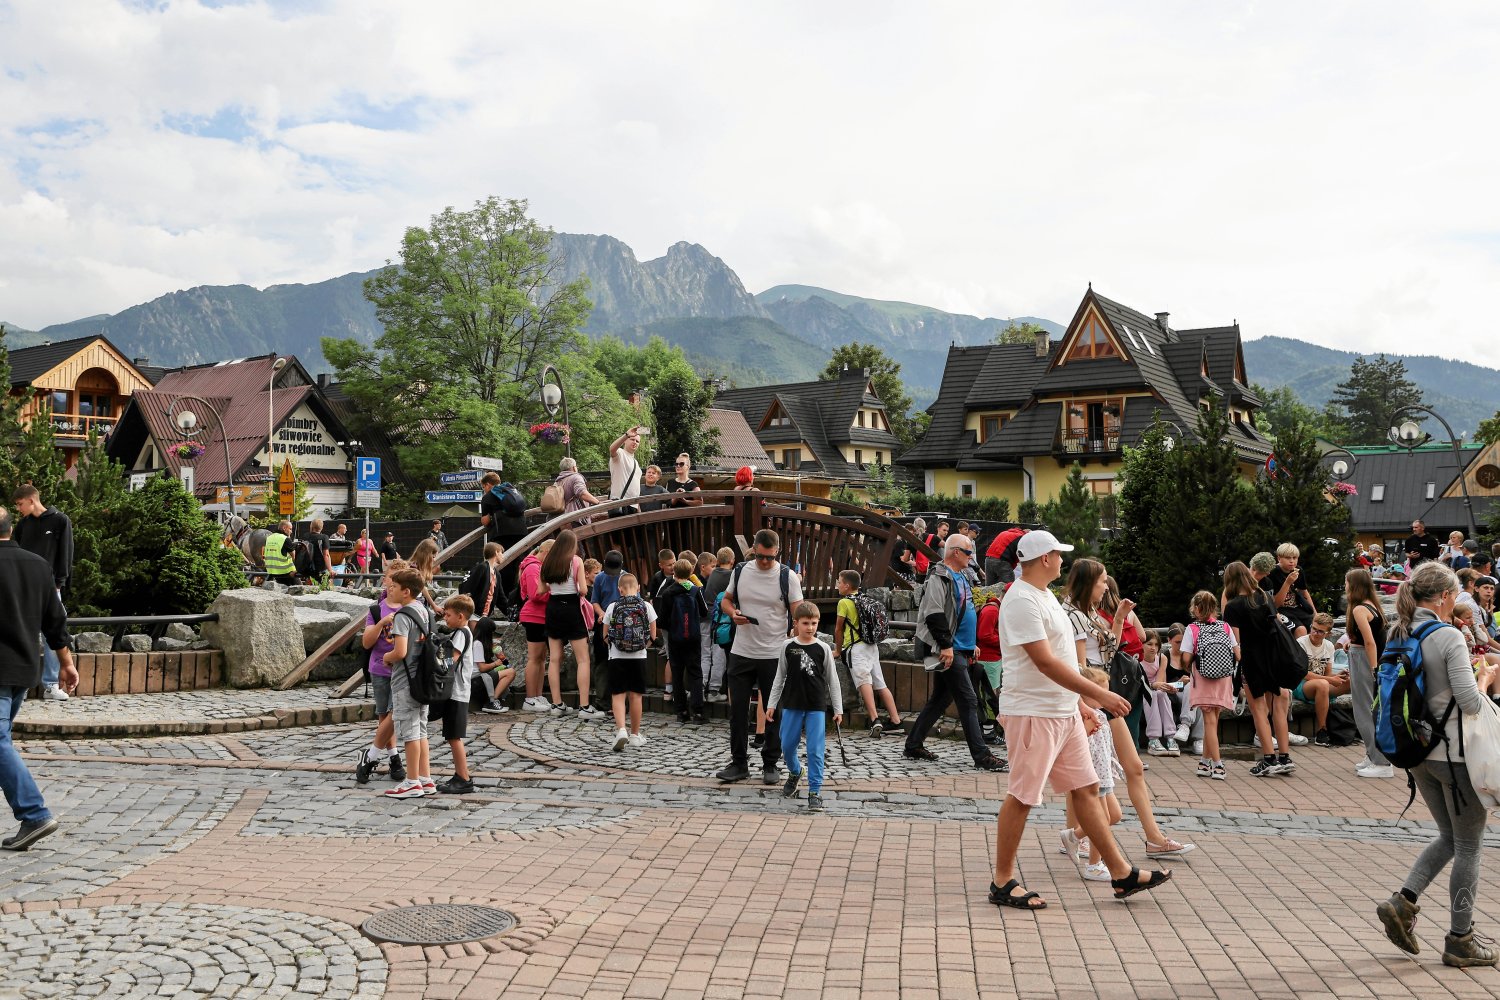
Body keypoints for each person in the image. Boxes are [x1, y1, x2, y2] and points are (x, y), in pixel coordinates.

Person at [990, 530, 1172, 909]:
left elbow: (1065, 661)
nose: (1062, 561)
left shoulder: (1044, 597)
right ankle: (1002, 880)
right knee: (1023, 797)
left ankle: (1120, 873)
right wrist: (1100, 695)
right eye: (1058, 554)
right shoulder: (1021, 599)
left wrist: (1082, 706)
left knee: (1087, 788)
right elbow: (1045, 662)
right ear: (1044, 559)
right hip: (1033, 712)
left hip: (1061, 711)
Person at [1375, 561, 1499, 968]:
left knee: (1448, 837)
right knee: (1468, 845)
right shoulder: (1447, 635)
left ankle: (1403, 902)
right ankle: (1460, 938)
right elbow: (1468, 702)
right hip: (1456, 757)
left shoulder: (1399, 630)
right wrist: (1486, 678)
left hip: (1418, 755)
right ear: (1445, 596)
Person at [1064, 559, 1194, 857]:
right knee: (1084, 773)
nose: (1106, 586)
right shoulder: (1073, 614)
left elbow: (1108, 653)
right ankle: (1078, 837)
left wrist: (1120, 619)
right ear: (1088, 583)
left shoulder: (1089, 613)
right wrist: (1087, 703)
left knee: (1128, 767)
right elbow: (1081, 668)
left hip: (1102, 694)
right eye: (1102, 581)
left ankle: (1149, 838)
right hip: (1094, 697)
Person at [0, 505, 77, 851]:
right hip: (24, 671)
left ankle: (34, 814)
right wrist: (67, 663)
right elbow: (55, 622)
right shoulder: (37, 565)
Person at [902, 533, 1006, 772]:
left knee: (941, 699)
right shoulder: (939, 577)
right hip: (948, 649)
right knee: (968, 701)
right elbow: (934, 614)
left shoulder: (960, 576)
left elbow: (961, 612)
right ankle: (981, 755)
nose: (972, 557)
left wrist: (971, 645)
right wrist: (947, 646)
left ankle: (913, 744)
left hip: (959, 648)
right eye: (969, 552)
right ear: (955, 552)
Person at [716, 528, 804, 784]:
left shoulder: (787, 577)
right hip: (742, 651)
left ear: (777, 552)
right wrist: (733, 614)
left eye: (769, 557)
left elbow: (798, 613)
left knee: (774, 711)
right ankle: (739, 763)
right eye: (760, 556)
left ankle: (770, 764)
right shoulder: (741, 570)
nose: (764, 562)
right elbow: (726, 601)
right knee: (738, 710)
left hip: (774, 653)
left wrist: (796, 641)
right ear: (754, 549)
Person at [765, 601, 843, 812]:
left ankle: (814, 791)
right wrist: (772, 704)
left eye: (814, 623)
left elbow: (832, 680)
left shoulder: (823, 648)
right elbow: (779, 677)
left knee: (815, 750)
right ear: (796, 623)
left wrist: (838, 708)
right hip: (791, 703)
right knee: (787, 745)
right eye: (806, 623)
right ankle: (795, 771)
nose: (810, 627)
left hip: (816, 706)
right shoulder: (787, 646)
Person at [1223, 560, 1297, 777]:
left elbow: (1235, 643)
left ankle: (1268, 758)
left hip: (1252, 661)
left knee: (1258, 710)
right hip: (1272, 657)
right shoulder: (1263, 596)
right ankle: (1284, 756)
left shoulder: (1233, 606)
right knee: (1278, 708)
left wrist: (1239, 667)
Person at [1060, 666, 1125, 883]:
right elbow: (1086, 746)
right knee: (1103, 819)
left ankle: (1073, 836)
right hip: (1094, 775)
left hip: (1104, 773)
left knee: (1114, 815)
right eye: (1101, 692)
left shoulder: (1100, 715)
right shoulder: (1085, 716)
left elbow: (1106, 748)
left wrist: (1113, 766)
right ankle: (1094, 865)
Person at [13, 484, 73, 703]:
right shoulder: (23, 525)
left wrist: (59, 584)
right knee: (24, 632)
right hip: (24, 588)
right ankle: (23, 683)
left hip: (50, 589)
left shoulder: (60, 520)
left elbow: (66, 553)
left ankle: (50, 685)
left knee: (53, 633)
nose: (18, 509)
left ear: (31, 500)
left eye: (20, 504)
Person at [355, 559, 411, 785]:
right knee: (384, 715)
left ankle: (383, 756)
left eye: (396, 579)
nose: (391, 583)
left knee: (394, 715)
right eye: (389, 577)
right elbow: (366, 643)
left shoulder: (411, 608)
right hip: (379, 669)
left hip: (402, 671)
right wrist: (381, 624)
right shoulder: (377, 609)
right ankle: (394, 757)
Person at [382, 568, 435, 799]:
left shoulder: (403, 615)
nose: (389, 590)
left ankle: (412, 781)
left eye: (393, 587)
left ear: (406, 592)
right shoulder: (422, 610)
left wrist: (386, 657)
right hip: (422, 679)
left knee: (410, 731)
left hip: (406, 681)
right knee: (421, 729)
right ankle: (425, 777)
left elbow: (400, 651)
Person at [540, 529, 604, 720]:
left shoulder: (548, 562)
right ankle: (584, 707)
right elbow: (583, 590)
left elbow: (540, 589)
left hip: (553, 608)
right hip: (571, 608)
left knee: (554, 659)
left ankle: (557, 703)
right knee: (583, 659)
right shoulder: (575, 561)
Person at [834, 570, 903, 736]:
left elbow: (838, 628)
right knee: (880, 683)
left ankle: (874, 719)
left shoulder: (844, 603)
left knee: (864, 681)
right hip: (871, 646)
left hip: (856, 648)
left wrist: (837, 650)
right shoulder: (865, 599)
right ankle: (896, 721)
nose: (837, 585)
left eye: (839, 582)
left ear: (847, 585)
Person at [1181, 590, 1237, 779]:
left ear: (1196, 608)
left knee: (1209, 723)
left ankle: (1217, 765)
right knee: (1213, 722)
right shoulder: (1225, 627)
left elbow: (1186, 658)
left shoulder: (1193, 629)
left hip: (1203, 678)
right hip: (1223, 678)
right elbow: (1237, 654)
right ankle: (1204, 763)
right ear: (1214, 608)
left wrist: (1189, 665)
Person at [1343, 567, 1393, 778]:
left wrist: (1374, 669)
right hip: (1364, 656)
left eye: (1346, 583)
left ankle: (1381, 762)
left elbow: (1371, 642)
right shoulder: (1373, 606)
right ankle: (1372, 754)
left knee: (1364, 709)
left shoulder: (1358, 610)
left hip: (1364, 659)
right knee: (1371, 709)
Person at [603, 573, 656, 751]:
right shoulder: (646, 606)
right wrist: (641, 647)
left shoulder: (612, 607)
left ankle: (621, 730)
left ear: (620, 589)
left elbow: (605, 635)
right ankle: (634, 735)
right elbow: (653, 636)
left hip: (616, 657)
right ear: (639, 588)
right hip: (639, 657)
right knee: (636, 696)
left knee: (618, 695)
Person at [431, 595, 476, 794]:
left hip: (457, 692)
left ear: (460, 616)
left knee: (454, 736)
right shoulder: (464, 632)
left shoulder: (460, 634)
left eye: (448, 615)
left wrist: (437, 667)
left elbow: (453, 660)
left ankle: (464, 777)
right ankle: (460, 774)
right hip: (459, 692)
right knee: (452, 735)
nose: (446, 618)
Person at [655, 558, 708, 723]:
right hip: (693, 637)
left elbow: (662, 621)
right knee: (695, 673)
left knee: (677, 673)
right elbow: (705, 612)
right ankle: (698, 712)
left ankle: (682, 712)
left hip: (675, 638)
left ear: (674, 573)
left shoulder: (669, 592)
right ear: (691, 573)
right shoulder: (695, 590)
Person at [460, 543, 509, 705]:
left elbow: (501, 598)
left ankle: (486, 679)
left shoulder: (497, 574)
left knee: (483, 647)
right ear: (496, 552)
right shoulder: (482, 568)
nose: (503, 555)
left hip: (484, 617)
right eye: (502, 552)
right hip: (475, 615)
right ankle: (473, 681)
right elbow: (467, 588)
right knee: (476, 645)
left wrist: (512, 613)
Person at [1296, 613, 1350, 745]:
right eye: (1313, 628)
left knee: (1351, 681)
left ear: (1328, 633)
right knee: (1323, 684)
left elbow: (1328, 673)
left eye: (1320, 631)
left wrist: (1338, 676)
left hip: (1321, 683)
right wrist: (1331, 680)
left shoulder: (1329, 646)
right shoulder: (1301, 643)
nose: (1315, 633)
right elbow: (1304, 674)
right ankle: (1322, 730)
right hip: (1301, 684)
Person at [518, 539, 557, 713]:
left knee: (541, 659)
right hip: (533, 616)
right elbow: (535, 594)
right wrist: (555, 592)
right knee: (535, 658)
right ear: (547, 552)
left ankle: (538, 695)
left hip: (541, 617)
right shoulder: (533, 567)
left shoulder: (536, 567)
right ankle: (530, 698)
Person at [479, 471, 527, 607]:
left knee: (502, 565)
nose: (484, 489)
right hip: (522, 532)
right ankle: (518, 598)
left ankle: (504, 600)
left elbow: (484, 521)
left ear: (488, 484)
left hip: (502, 534)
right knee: (518, 565)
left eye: (484, 487)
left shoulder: (488, 497)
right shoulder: (513, 491)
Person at [1261, 543, 1316, 638]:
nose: (1292, 561)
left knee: (1316, 627)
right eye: (1288, 558)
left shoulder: (1298, 570)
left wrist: (1315, 613)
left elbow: (1304, 591)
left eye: (1294, 558)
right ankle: (1298, 653)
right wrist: (1287, 583)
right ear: (1279, 558)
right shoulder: (1272, 573)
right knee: (1300, 630)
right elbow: (1275, 604)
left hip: (1296, 608)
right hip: (1280, 610)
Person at [702, 548, 735, 701]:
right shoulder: (731, 576)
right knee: (719, 652)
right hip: (719, 619)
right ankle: (714, 689)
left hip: (704, 617)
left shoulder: (713, 573)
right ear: (732, 561)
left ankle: (701, 686)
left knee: (705, 653)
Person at [1141, 632, 1181, 757]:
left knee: (1161, 694)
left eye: (1156, 644)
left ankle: (1171, 737)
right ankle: (1153, 739)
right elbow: (1140, 683)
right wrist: (1155, 686)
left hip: (1156, 689)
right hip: (1140, 690)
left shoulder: (1162, 658)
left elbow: (1160, 682)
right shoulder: (1136, 658)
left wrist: (1169, 687)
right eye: (1149, 644)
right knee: (1152, 695)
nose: (1153, 647)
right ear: (1141, 645)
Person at [607, 425, 646, 514]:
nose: (635, 442)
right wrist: (626, 435)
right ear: (625, 441)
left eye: (637, 441)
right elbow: (612, 449)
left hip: (634, 505)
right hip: (620, 502)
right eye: (632, 439)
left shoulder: (636, 462)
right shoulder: (620, 453)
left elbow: (635, 487)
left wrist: (638, 508)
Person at [556, 457, 602, 522]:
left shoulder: (557, 481)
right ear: (574, 468)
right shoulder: (575, 477)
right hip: (574, 519)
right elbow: (582, 493)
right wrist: (598, 503)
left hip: (558, 519)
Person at [262, 519, 298, 586]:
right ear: (284, 528)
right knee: (299, 588)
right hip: (285, 572)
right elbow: (294, 557)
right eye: (290, 529)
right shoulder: (285, 539)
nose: (291, 531)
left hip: (271, 572)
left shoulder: (269, 538)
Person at [305, 517, 332, 582]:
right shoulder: (324, 537)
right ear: (321, 527)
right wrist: (330, 570)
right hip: (320, 567)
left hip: (308, 567)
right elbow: (326, 555)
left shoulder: (306, 536)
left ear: (311, 526)